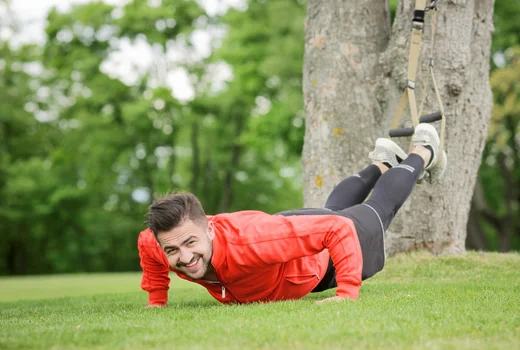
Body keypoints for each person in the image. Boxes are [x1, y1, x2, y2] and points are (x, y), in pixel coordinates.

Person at [137, 123, 447, 307]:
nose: (185, 256)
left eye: (190, 243)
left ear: (210, 231)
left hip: (318, 260)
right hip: (286, 233)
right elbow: (147, 245)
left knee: (377, 211)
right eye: (173, 250)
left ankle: (424, 150)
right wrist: (157, 300)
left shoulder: (252, 243)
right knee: (329, 212)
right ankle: (383, 163)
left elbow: (337, 229)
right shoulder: (166, 240)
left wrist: (347, 291)